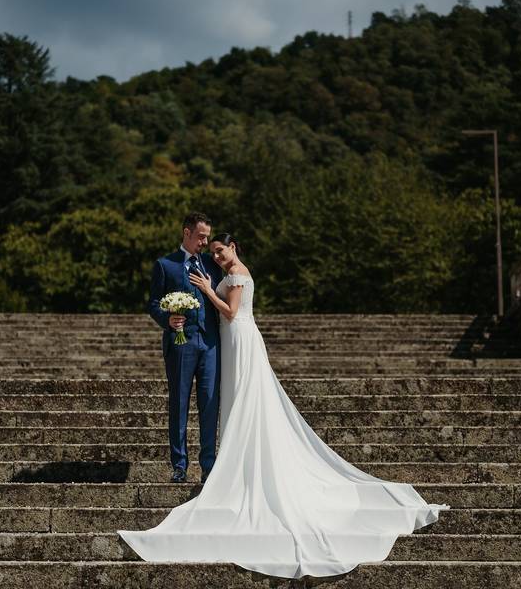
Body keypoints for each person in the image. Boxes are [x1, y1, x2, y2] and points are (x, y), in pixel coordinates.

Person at [119, 233, 448, 579]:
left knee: (248, 401)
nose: (216, 256)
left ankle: (240, 465)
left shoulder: (237, 274)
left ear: (234, 248)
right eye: (213, 251)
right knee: (237, 403)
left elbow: (231, 312)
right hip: (231, 343)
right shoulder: (222, 272)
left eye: (220, 250)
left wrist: (206, 290)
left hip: (241, 338)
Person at [145, 212, 224, 484]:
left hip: (210, 344)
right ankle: (179, 465)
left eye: (207, 237)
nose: (204, 242)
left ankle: (208, 466)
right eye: (201, 236)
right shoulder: (165, 265)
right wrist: (166, 319)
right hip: (181, 344)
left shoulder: (212, 267)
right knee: (179, 404)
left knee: (210, 406)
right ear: (186, 233)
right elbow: (154, 304)